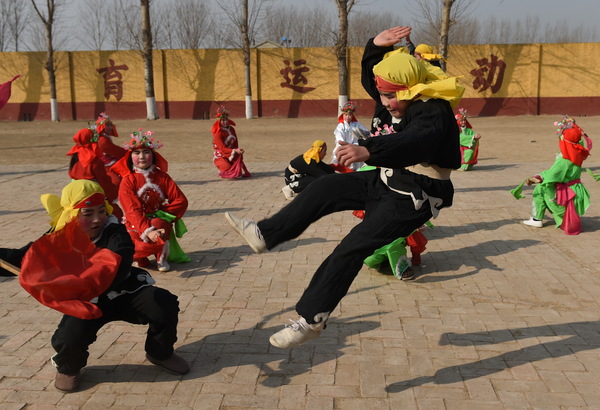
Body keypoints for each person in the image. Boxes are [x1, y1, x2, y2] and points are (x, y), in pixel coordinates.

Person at [225, 25, 464, 349]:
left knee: (351, 247)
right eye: (383, 95)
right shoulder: (399, 98)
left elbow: (417, 140)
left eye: (392, 96)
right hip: (388, 177)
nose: (386, 103)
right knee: (326, 188)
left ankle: (311, 319)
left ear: (412, 89)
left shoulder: (432, 109)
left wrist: (370, 150)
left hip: (415, 196)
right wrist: (375, 48)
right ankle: (266, 234)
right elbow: (374, 82)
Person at [13, 179, 189, 392]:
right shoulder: (56, 237)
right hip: (86, 300)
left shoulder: (114, 231)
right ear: (72, 215)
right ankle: (69, 368)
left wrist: (77, 281)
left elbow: (119, 260)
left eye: (100, 211)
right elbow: (23, 259)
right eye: (87, 214)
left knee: (163, 303)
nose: (97, 219)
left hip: (123, 291)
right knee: (70, 336)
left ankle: (160, 353)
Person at [112, 129, 188, 272]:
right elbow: (131, 209)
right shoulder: (128, 180)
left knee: (159, 224)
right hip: (134, 221)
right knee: (132, 237)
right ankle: (141, 259)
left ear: (153, 155)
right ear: (130, 156)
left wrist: (163, 214)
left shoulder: (162, 177)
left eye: (146, 152)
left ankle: (161, 258)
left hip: (157, 217)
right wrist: (147, 230)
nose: (142, 157)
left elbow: (180, 200)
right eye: (136, 153)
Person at [518, 116, 591, 234]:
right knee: (544, 184)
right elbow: (577, 139)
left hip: (566, 202)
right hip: (575, 195)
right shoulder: (578, 152)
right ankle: (539, 218)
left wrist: (537, 178)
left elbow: (551, 176)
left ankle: (537, 219)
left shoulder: (565, 159)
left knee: (540, 188)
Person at [67, 128, 123, 219]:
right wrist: (113, 191)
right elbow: (104, 182)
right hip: (92, 193)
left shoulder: (75, 156)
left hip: (76, 193)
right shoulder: (95, 161)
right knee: (116, 213)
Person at [212, 106, 251, 179]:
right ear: (219, 121)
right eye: (223, 120)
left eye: (226, 119)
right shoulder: (218, 133)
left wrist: (238, 150)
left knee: (237, 170)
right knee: (228, 168)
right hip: (221, 155)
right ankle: (223, 168)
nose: (225, 122)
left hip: (231, 153)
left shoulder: (232, 129)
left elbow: (235, 144)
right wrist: (234, 150)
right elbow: (223, 149)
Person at [330, 101, 370, 171]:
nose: (348, 117)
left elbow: (365, 132)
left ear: (352, 115)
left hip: (355, 145)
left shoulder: (356, 124)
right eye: (346, 115)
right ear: (343, 115)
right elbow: (340, 139)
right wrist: (346, 146)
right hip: (343, 146)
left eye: (350, 115)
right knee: (339, 157)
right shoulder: (340, 126)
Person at [93, 112, 126, 186]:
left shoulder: (104, 136)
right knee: (116, 181)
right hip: (106, 166)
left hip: (109, 161)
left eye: (110, 125)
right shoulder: (103, 140)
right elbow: (115, 150)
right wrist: (128, 152)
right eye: (107, 125)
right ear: (102, 127)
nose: (110, 127)